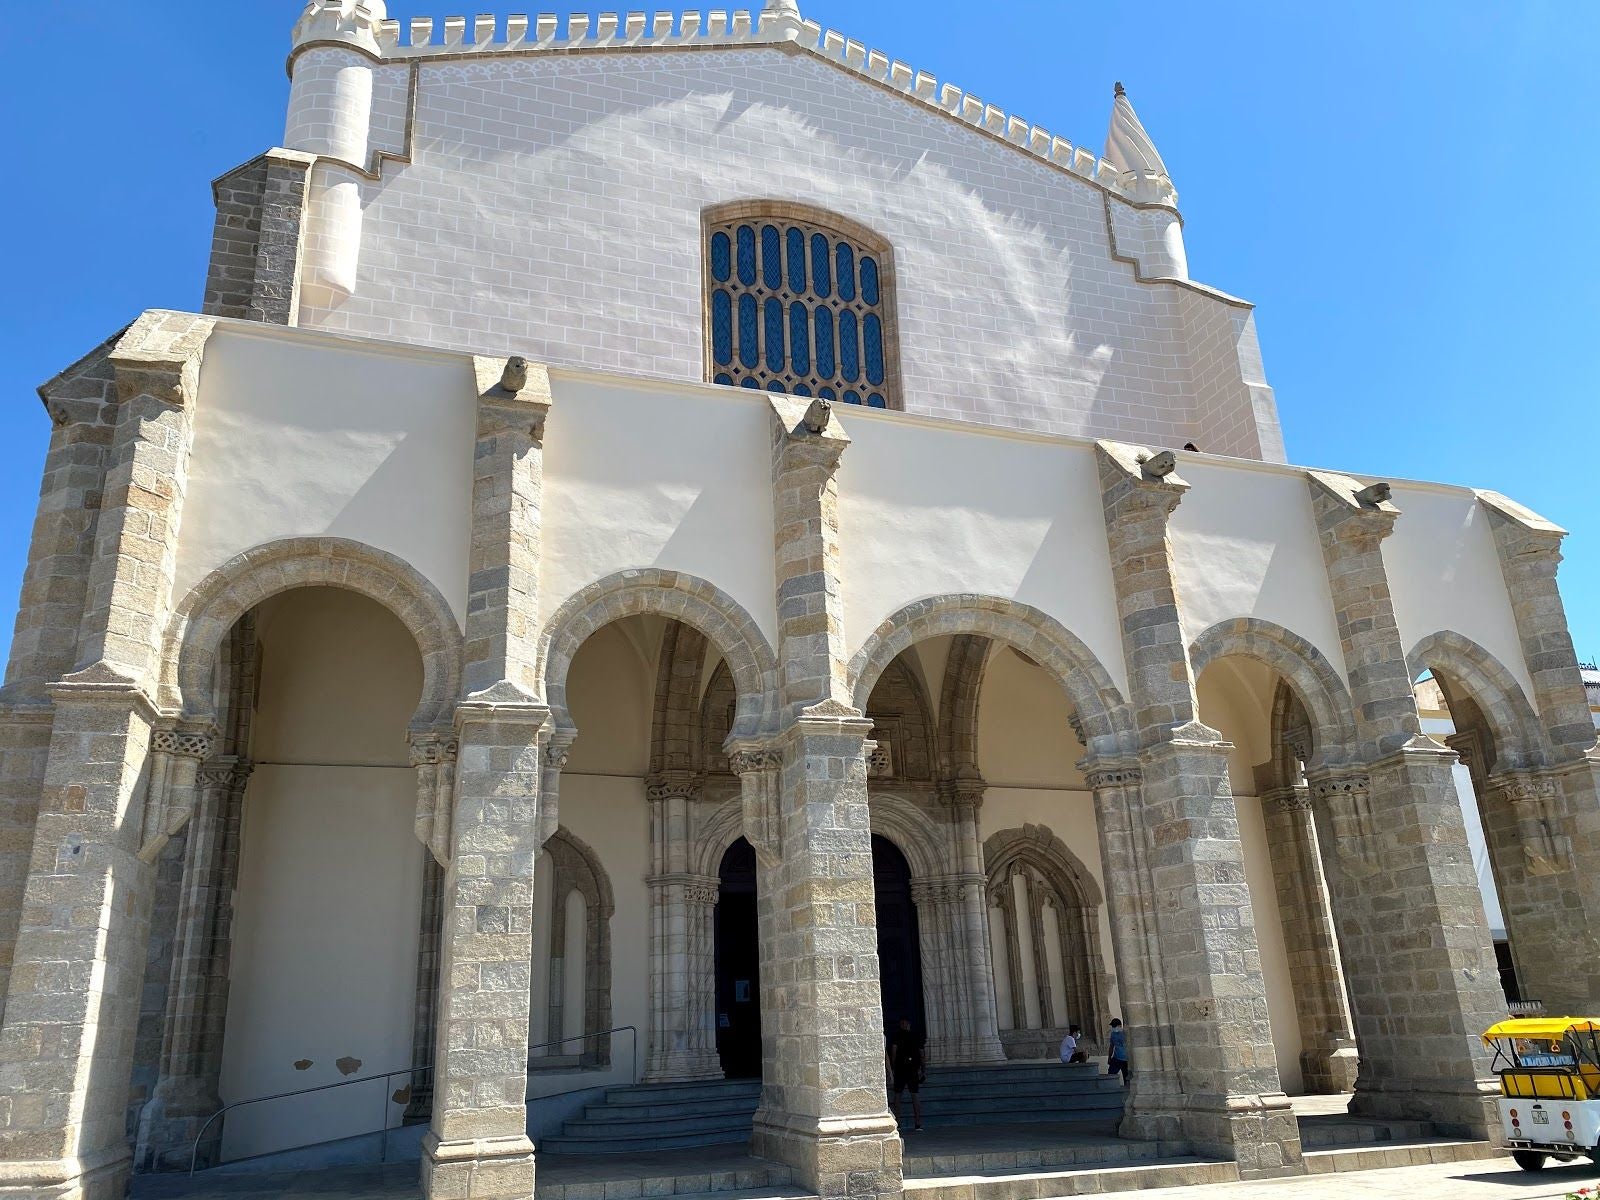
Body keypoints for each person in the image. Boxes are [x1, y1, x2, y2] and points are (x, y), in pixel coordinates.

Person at [885, 1017, 925, 1131]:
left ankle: (899, 1122)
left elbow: (894, 1051)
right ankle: (917, 1123)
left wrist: (893, 1067)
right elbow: (921, 1053)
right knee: (912, 1095)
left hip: (902, 1069)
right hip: (911, 1069)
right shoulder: (915, 1036)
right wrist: (923, 1068)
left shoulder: (897, 1036)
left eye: (904, 1023)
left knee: (899, 1095)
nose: (903, 1025)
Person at [1106, 1017, 1128, 1084]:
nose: (1113, 1028)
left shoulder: (1125, 1034)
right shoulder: (1113, 1034)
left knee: (1126, 1077)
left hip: (1126, 1059)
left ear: (1119, 1026)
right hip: (1116, 1058)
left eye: (1115, 1026)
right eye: (1113, 1026)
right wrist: (1109, 1057)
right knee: (1111, 1075)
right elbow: (1111, 1046)